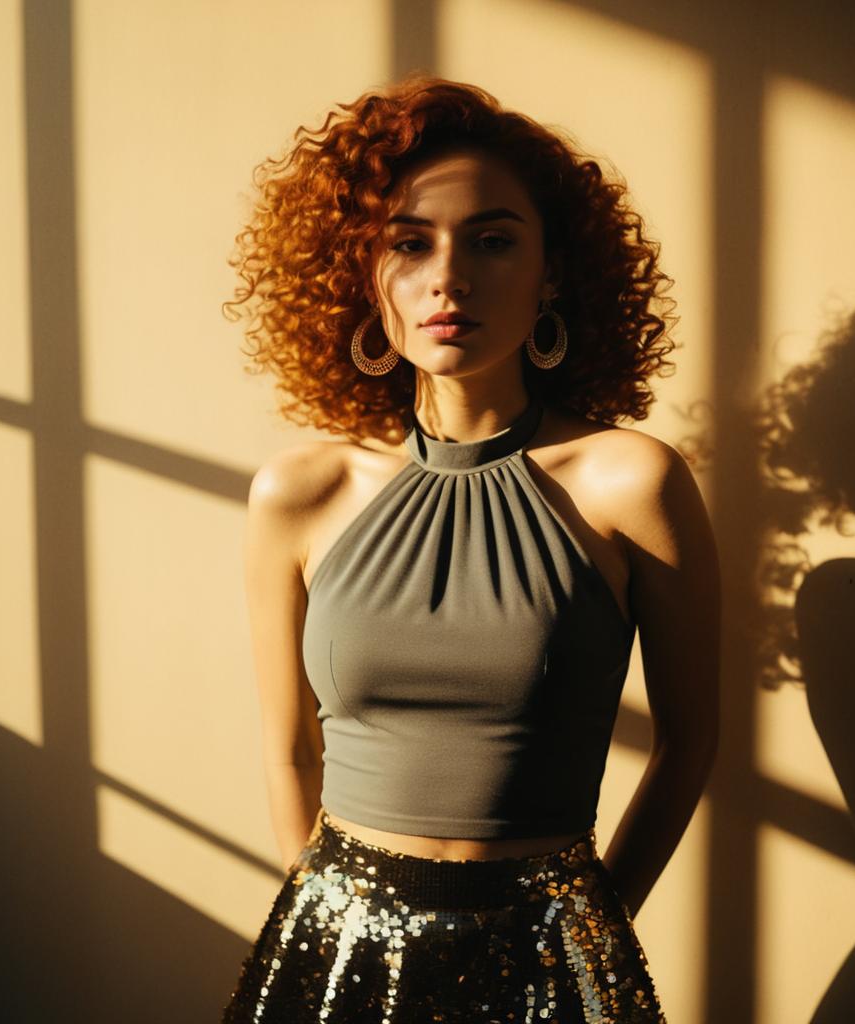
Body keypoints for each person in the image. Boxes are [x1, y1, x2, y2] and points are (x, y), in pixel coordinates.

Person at [219, 73, 720, 1023]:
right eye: (410, 245)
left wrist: (595, 929)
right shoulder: (300, 494)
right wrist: (321, 918)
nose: (449, 277)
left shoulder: (630, 483)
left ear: (553, 272)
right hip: (333, 953)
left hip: (553, 955)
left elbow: (693, 740)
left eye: (493, 240)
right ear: (365, 276)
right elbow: (291, 749)